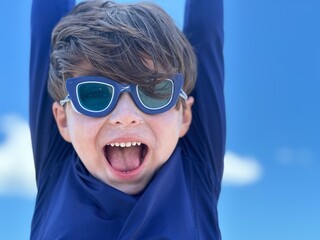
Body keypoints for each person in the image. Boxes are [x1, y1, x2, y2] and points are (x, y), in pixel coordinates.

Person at [29, 0, 225, 239]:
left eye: (154, 92)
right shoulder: (57, 170)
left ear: (184, 116)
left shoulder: (194, 169)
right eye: (94, 94)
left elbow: (207, 27)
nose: (125, 117)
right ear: (63, 121)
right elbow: (45, 27)